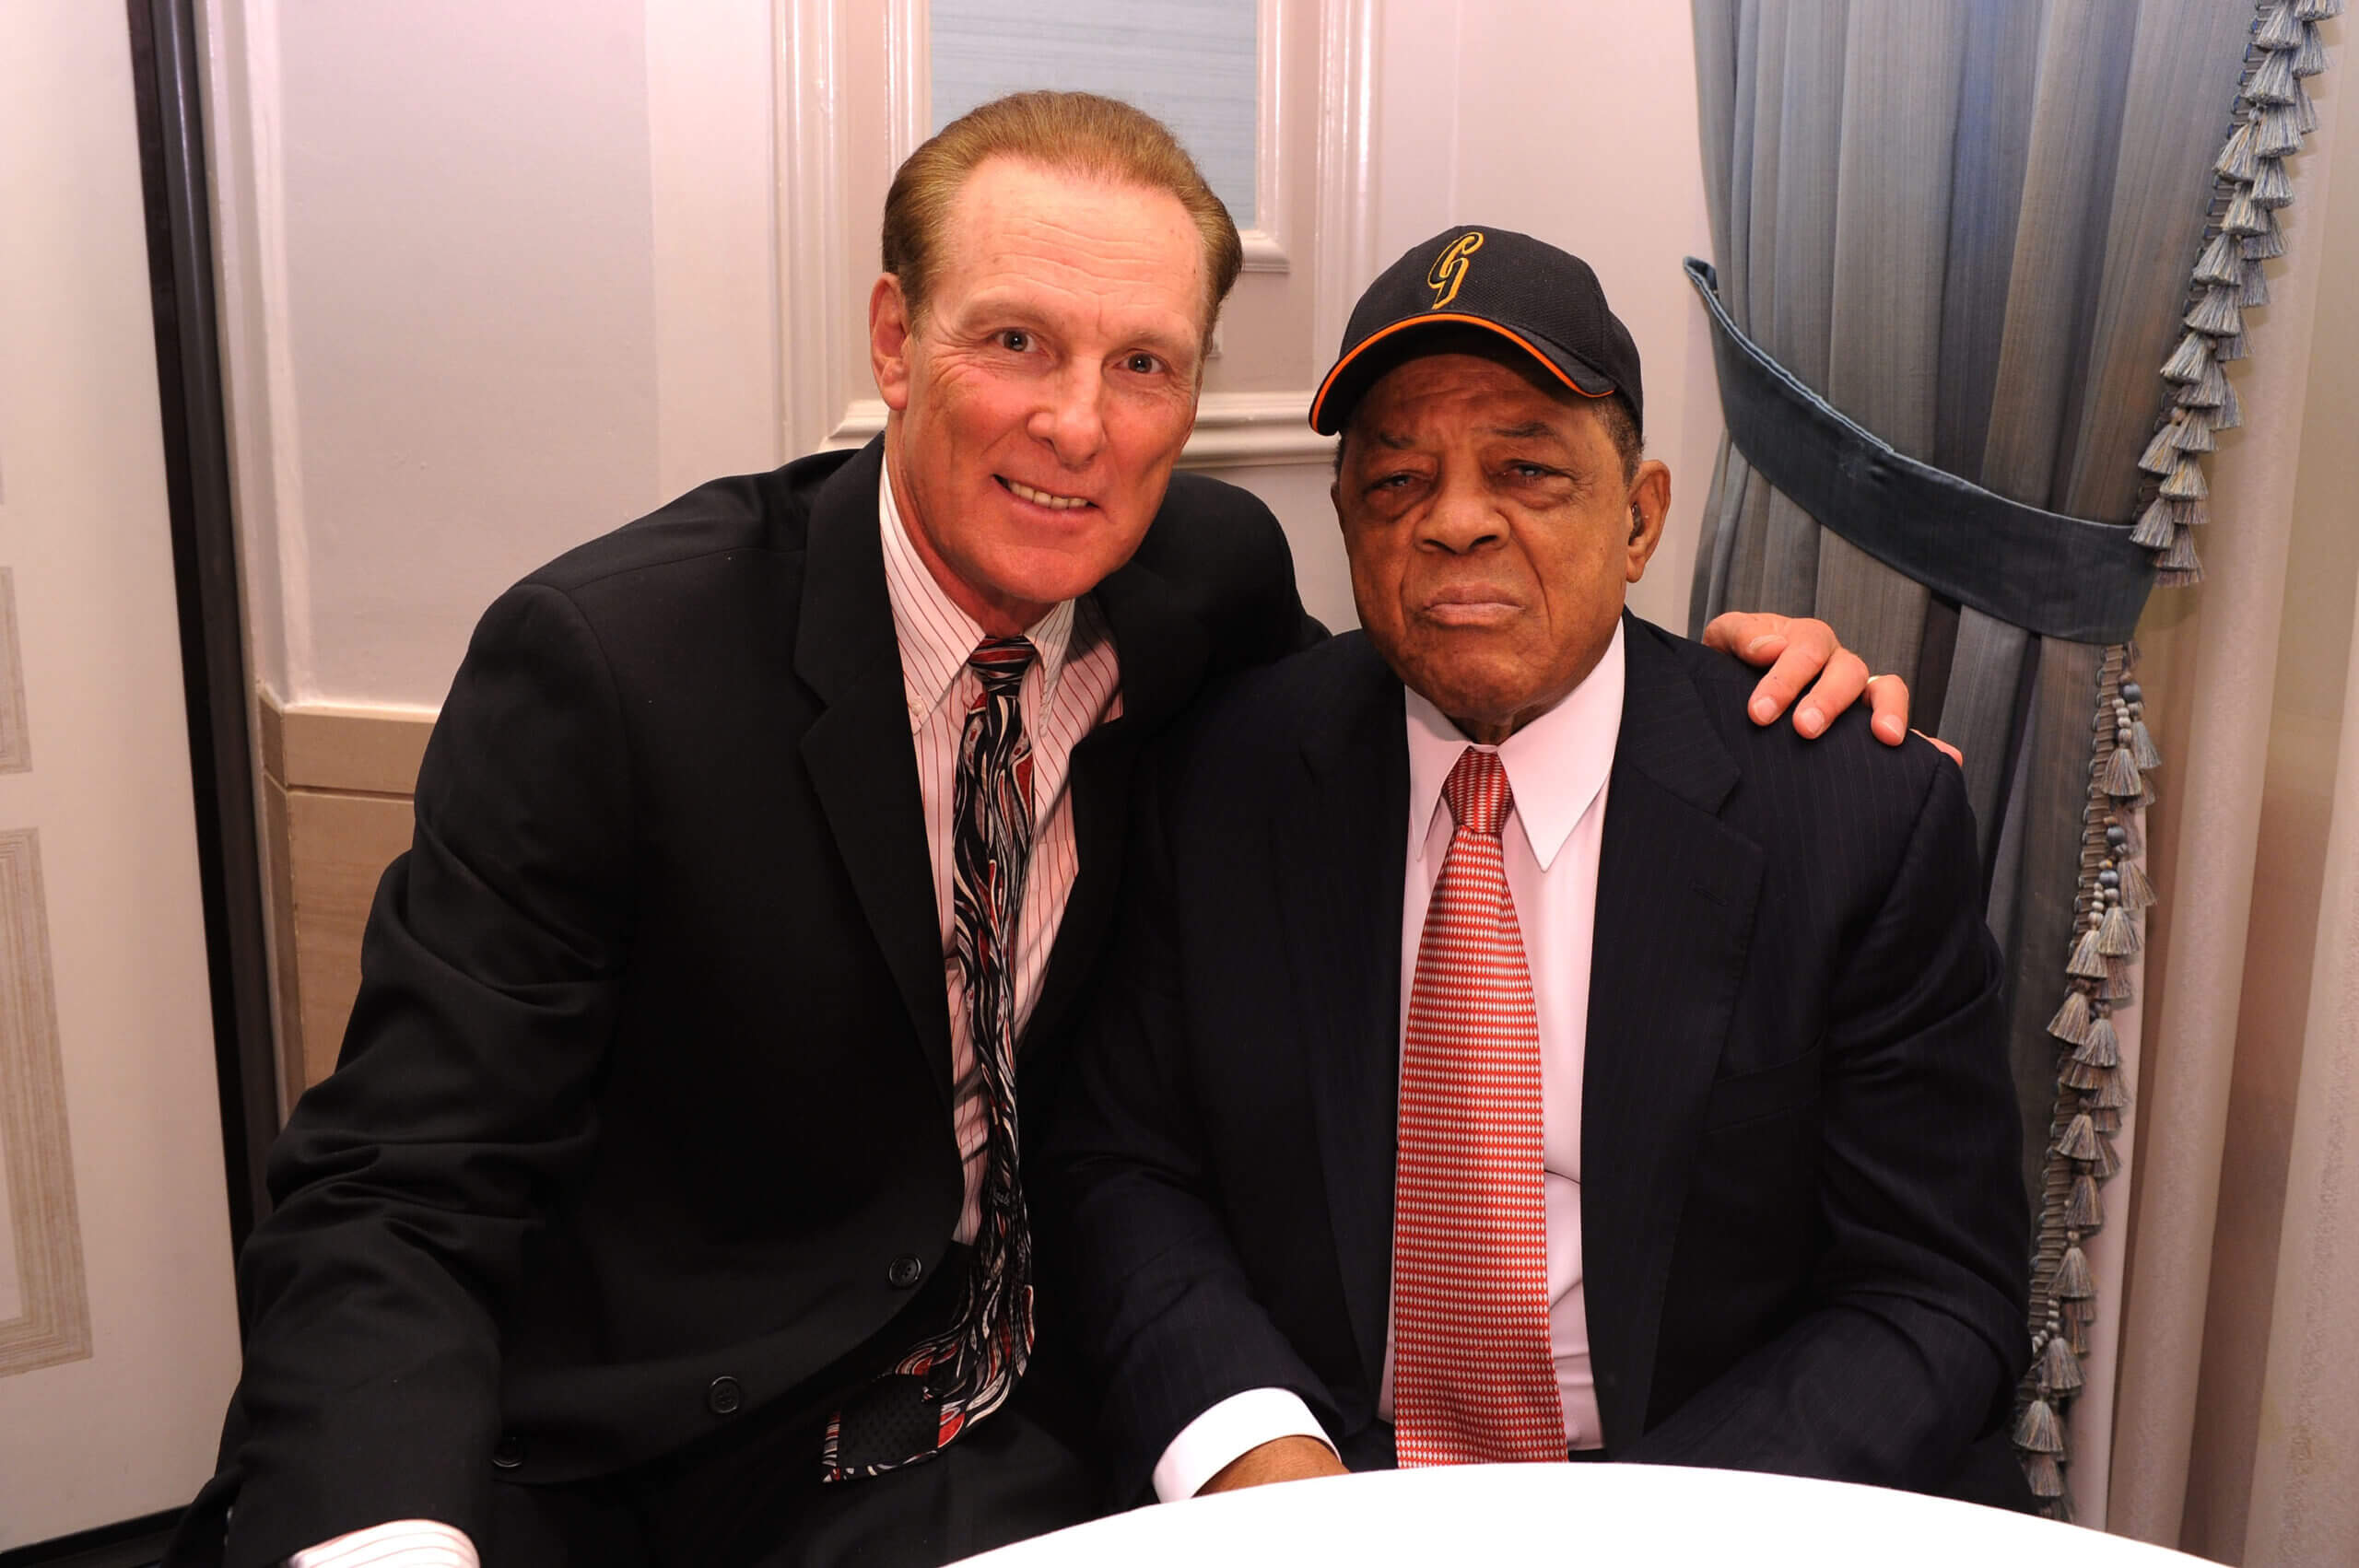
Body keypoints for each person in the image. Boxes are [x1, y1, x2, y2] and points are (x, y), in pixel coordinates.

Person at [170, 100, 1914, 1568]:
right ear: (891, 341)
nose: (1079, 423)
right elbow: (400, 1189)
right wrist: (383, 1534)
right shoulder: (614, 667)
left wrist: (1730, 692)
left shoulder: (1204, 591)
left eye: (1142, 362)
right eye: (1015, 340)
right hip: (644, 1444)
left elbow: (1469, 692)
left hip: (1008, 1416)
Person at [1048, 227, 2031, 1514]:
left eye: (1527, 467)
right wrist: (1257, 1450)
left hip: (1710, 1481)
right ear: (1344, 521)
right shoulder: (1216, 776)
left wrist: (1625, 1532)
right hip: (1323, 1469)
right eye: (1397, 480)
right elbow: (1124, 1167)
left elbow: (1933, 1288)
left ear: (1640, 518)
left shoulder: (1851, 811)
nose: (1455, 522)